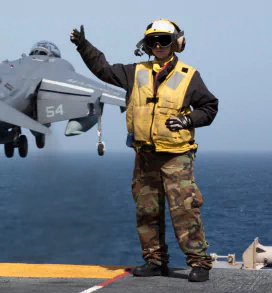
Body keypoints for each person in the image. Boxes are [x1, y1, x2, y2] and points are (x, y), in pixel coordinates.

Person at [70, 19, 218, 282]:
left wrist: (188, 120)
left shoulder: (189, 75)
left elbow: (209, 107)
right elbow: (102, 69)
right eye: (154, 41)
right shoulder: (134, 72)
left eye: (164, 40)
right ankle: (155, 261)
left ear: (176, 43)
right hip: (144, 155)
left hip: (176, 156)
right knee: (146, 210)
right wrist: (84, 46)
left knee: (184, 209)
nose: (159, 45)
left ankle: (199, 263)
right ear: (147, 45)